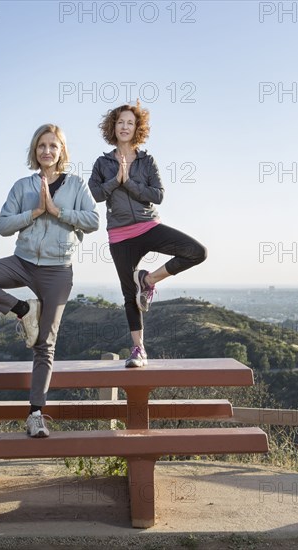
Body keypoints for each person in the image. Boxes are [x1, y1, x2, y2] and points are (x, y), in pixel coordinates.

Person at [0, 124, 99, 437]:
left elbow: (93, 220)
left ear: (61, 151)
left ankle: (35, 414)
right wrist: (33, 213)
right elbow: (4, 225)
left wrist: (57, 211)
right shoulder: (22, 185)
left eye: (53, 146)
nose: (47, 151)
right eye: (41, 145)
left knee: (45, 344)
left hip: (58, 270)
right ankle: (22, 309)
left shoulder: (76, 185)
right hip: (21, 263)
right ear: (35, 150)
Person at [88, 102, 207, 368]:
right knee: (129, 294)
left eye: (130, 122)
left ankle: (149, 279)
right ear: (113, 127)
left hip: (148, 225)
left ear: (137, 127)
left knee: (197, 251)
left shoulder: (147, 161)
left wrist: (128, 182)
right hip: (119, 234)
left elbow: (158, 195)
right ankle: (138, 350)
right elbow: (94, 195)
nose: (125, 127)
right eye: (120, 122)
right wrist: (115, 180)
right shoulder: (102, 163)